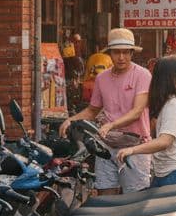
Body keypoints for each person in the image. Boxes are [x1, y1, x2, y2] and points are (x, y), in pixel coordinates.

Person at [59, 29, 151, 195]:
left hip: (135, 146)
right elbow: (92, 110)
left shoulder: (142, 75)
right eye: (116, 52)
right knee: (105, 196)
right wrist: (70, 120)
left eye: (125, 52)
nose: (121, 57)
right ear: (110, 53)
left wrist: (111, 125)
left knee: (135, 199)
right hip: (107, 145)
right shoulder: (102, 78)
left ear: (132, 53)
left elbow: (137, 111)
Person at [113, 56, 176, 188]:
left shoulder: (173, 105)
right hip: (169, 172)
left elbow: (164, 141)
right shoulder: (168, 103)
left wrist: (132, 150)